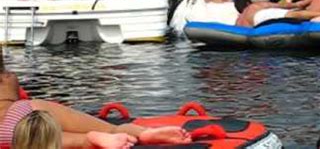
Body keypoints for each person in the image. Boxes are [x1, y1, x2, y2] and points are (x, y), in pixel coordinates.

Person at [0, 72, 191, 148]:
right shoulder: (8, 78)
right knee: (111, 129)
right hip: (26, 110)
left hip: (6, 133)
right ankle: (144, 133)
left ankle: (88, 140)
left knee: (36, 137)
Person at [235, 0, 320, 27]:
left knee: (287, 20)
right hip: (259, 17)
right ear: (247, 3)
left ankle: (318, 20)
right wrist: (296, 4)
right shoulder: (254, 7)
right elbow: (281, 7)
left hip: (256, 27)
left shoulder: (238, 20)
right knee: (293, 14)